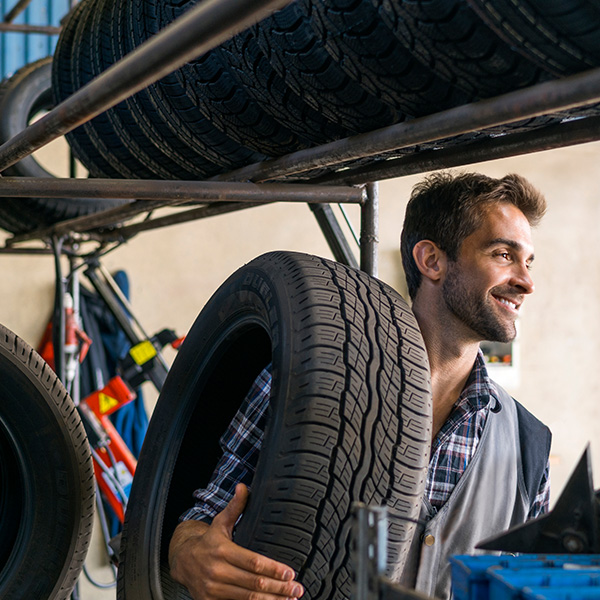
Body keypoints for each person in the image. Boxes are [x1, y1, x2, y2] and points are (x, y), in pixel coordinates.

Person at [168, 171, 551, 600]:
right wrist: (192, 554)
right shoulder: (310, 381)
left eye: (528, 262)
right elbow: (204, 517)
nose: (526, 282)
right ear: (432, 261)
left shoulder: (529, 445)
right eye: (503, 255)